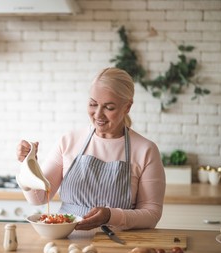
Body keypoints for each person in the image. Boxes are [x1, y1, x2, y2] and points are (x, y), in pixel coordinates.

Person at [16, 67, 166, 231]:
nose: (98, 114)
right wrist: (28, 166)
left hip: (118, 243)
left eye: (109, 107)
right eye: (93, 104)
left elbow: (151, 215)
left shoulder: (146, 150)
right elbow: (38, 199)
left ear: (127, 107)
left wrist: (111, 216)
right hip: (67, 240)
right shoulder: (68, 141)